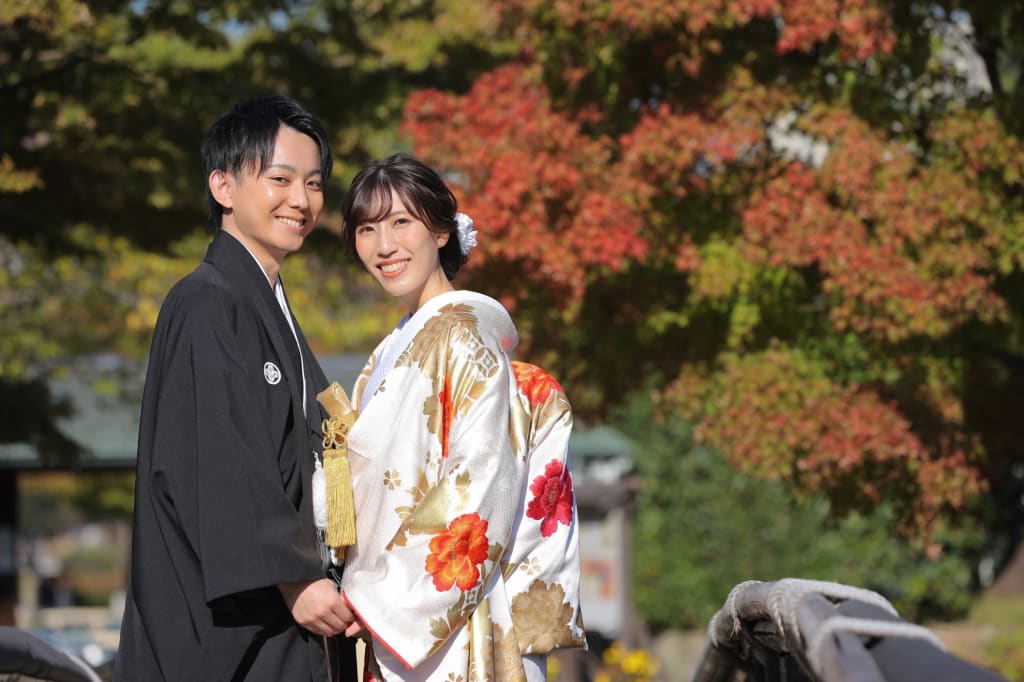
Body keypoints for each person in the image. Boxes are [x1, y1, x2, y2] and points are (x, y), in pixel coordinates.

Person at [114, 95, 357, 682]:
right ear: (223, 186)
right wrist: (295, 577)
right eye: (280, 179)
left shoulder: (269, 310)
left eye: (315, 183)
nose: (301, 200)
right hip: (230, 624)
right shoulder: (205, 301)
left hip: (281, 614)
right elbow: (218, 456)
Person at [331, 153, 586, 680]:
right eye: (367, 229)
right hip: (383, 614)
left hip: (442, 617)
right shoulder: (387, 353)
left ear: (442, 231)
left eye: (402, 222)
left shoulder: (464, 337)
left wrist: (382, 595)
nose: (384, 246)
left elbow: (480, 478)